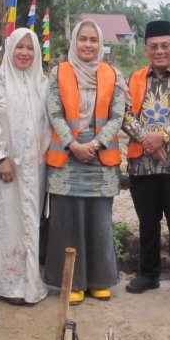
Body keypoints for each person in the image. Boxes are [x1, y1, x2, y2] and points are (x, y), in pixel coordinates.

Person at [44, 20, 125, 305]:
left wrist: (95, 143)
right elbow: (54, 112)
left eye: (93, 40)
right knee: (68, 222)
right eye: (83, 39)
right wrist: (73, 144)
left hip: (100, 158)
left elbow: (118, 116)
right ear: (74, 42)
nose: (88, 45)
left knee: (99, 222)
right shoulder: (59, 72)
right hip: (67, 157)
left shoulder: (112, 74)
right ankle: (71, 281)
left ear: (100, 44)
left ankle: (99, 281)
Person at [123, 20, 170, 306]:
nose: (159, 51)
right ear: (145, 49)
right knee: (147, 221)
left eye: (164, 46)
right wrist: (148, 141)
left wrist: (163, 137)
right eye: (154, 46)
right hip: (142, 165)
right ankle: (149, 273)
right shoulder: (133, 78)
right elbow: (125, 114)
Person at [0, 28, 49, 305]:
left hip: (33, 170)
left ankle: (27, 282)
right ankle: (4, 284)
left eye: (30, 48)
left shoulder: (42, 84)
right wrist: (0, 157)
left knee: (29, 223)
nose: (25, 53)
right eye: (19, 47)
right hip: (2, 169)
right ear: (10, 49)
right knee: (4, 225)